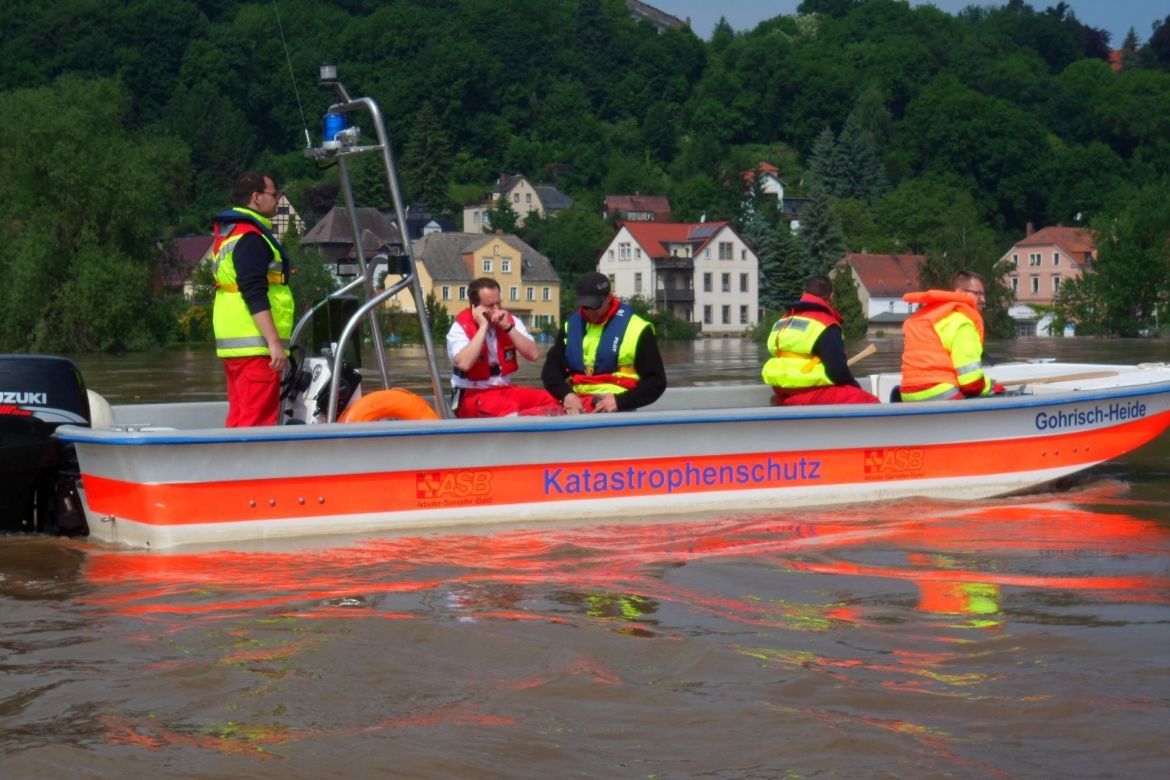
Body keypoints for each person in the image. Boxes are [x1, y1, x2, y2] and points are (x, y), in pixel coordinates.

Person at [211, 171, 293, 427]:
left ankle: (230, 466)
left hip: (236, 346)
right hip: (256, 346)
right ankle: (250, 468)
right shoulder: (251, 239)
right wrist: (274, 343)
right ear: (256, 198)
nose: (277, 199)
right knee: (257, 422)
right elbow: (254, 291)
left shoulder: (232, 234)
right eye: (273, 194)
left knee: (240, 417)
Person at [542, 271, 667, 413]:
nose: (590, 312)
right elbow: (550, 372)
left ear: (608, 297)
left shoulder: (638, 329)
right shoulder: (570, 327)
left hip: (616, 406)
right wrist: (566, 395)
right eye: (585, 306)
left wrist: (620, 401)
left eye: (595, 306)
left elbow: (656, 382)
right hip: (577, 402)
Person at [447, 277, 560, 417]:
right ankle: (522, 427)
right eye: (489, 306)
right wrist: (483, 326)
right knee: (508, 408)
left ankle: (535, 430)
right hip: (471, 395)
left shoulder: (510, 321)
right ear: (474, 306)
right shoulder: (460, 327)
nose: (496, 310)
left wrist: (508, 327)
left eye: (498, 303)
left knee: (552, 399)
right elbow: (464, 363)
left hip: (504, 389)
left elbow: (534, 354)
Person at [761, 275, 879, 405]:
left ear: (804, 293)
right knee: (871, 402)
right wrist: (854, 386)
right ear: (831, 297)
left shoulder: (784, 320)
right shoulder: (826, 324)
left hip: (780, 388)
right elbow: (837, 372)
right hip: (806, 390)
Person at [899, 270, 1003, 402]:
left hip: (908, 394)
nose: (983, 299)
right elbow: (971, 382)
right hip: (940, 392)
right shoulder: (962, 322)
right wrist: (991, 386)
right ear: (959, 293)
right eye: (978, 294)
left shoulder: (929, 316)